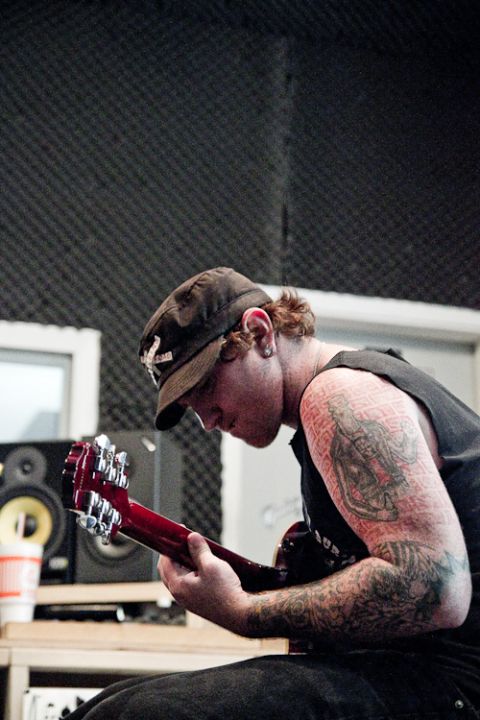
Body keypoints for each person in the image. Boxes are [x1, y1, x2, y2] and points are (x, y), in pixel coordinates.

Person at [67, 266, 480, 719]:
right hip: (411, 671)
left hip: (455, 684)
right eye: (190, 406)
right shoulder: (341, 397)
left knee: (137, 715)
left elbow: (435, 587)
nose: (207, 420)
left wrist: (245, 612)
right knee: (106, 706)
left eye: (206, 385)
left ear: (260, 333)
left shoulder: (338, 395)